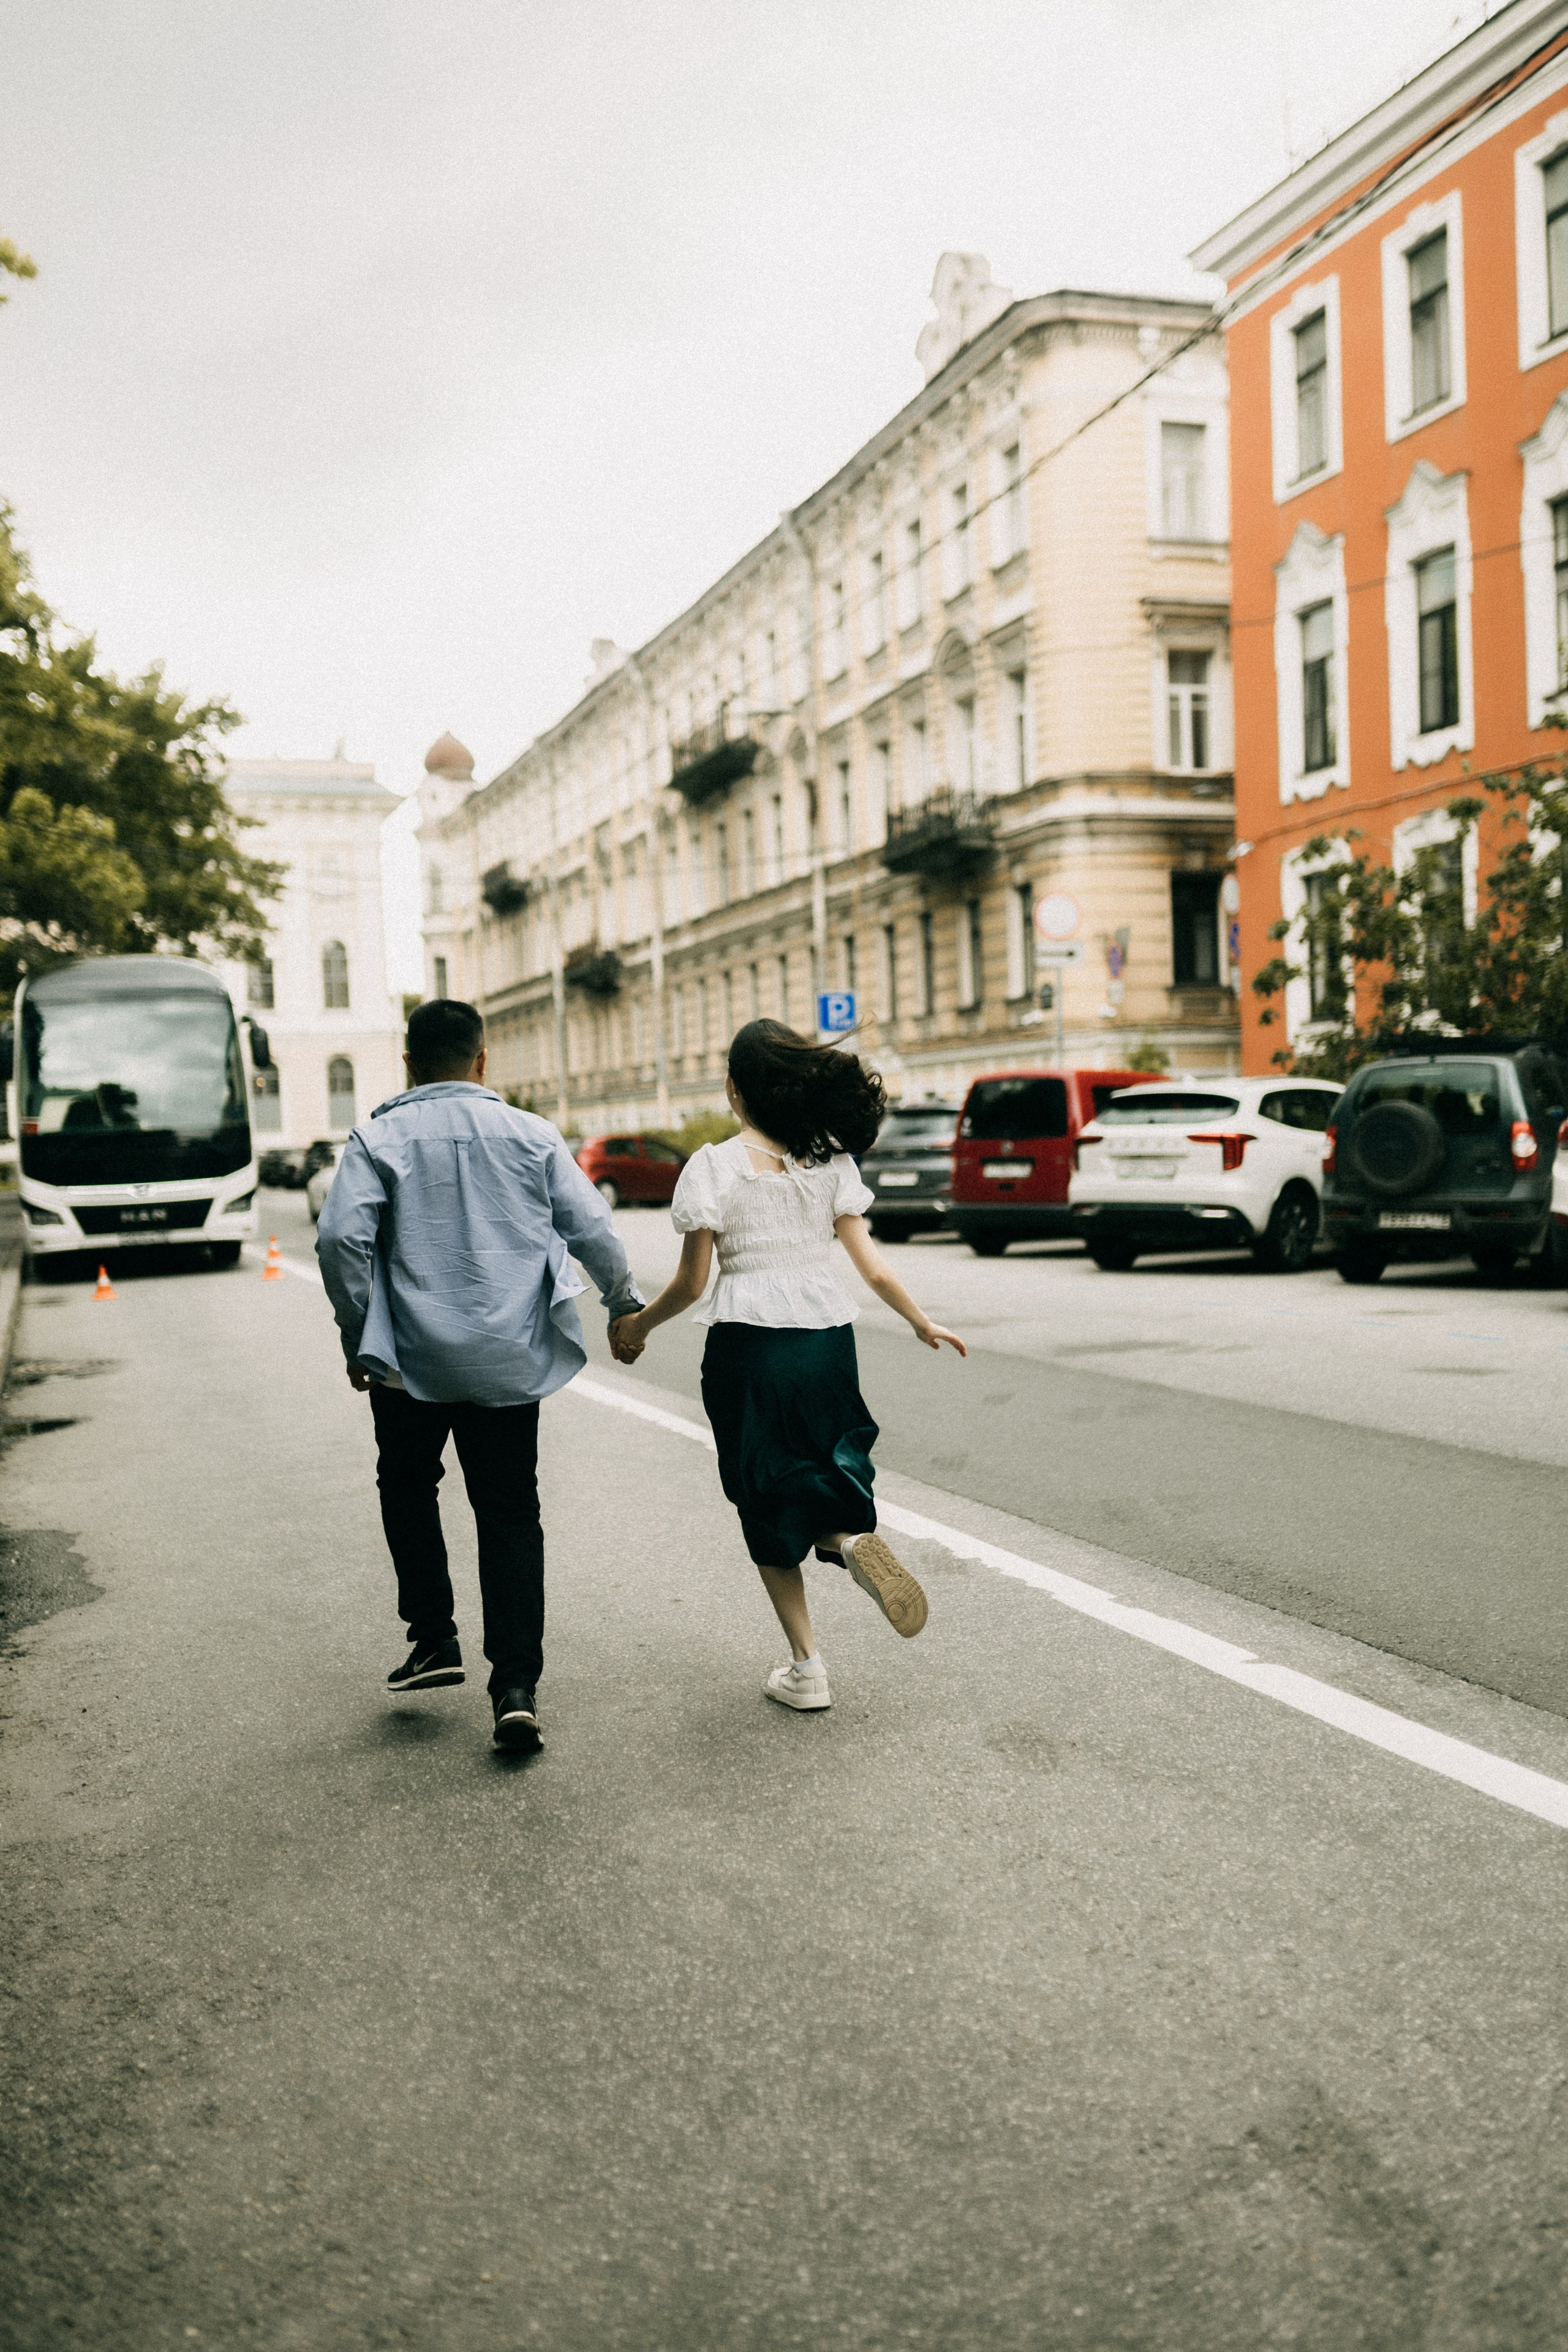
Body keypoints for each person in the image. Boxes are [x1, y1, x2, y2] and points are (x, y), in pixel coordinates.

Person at [608, 1019, 965, 1713]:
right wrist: (921, 1322)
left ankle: (808, 1668)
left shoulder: (712, 1166)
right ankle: (846, 1537)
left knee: (763, 1494)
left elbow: (690, 1285)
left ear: (736, 1092)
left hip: (750, 1344)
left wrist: (636, 1328)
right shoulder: (830, 1164)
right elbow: (872, 1266)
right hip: (828, 1340)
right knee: (822, 1467)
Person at [316, 998, 644, 1752]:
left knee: (406, 1484)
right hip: (507, 1354)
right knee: (507, 1509)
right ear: (482, 1059)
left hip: (408, 1361)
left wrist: (359, 1333)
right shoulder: (531, 1134)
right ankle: (516, 1688)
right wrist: (625, 1305)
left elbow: (340, 1240)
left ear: (408, 1062)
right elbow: (591, 1226)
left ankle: (434, 1638)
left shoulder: (377, 1136)